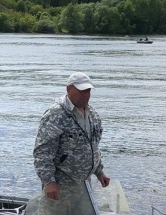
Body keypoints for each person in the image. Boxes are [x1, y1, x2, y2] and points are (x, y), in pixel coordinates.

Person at [33, 72, 110, 200]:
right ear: (68, 89)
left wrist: (99, 172)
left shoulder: (93, 114)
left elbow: (93, 146)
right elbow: (42, 153)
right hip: (61, 185)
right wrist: (49, 182)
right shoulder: (55, 115)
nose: (85, 95)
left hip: (85, 184)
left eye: (88, 91)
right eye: (81, 91)